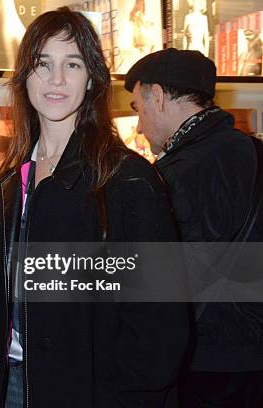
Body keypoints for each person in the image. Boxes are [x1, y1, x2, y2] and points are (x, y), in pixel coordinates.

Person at [0, 8, 189, 407]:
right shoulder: (11, 183)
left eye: (72, 64)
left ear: (92, 78)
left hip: (93, 391)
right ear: (25, 76)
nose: (56, 79)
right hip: (12, 385)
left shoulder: (127, 179)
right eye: (43, 64)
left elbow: (160, 326)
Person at [125, 48, 263, 407]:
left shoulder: (176, 176)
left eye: (137, 108)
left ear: (156, 95)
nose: (138, 126)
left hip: (207, 365)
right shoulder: (254, 152)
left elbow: (160, 288)